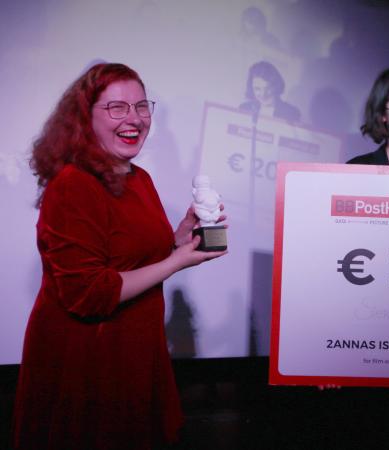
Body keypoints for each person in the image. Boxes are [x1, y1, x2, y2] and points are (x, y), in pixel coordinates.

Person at [12, 63, 227, 449]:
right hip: (88, 361)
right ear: (85, 117)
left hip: (134, 351)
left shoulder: (138, 178)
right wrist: (176, 262)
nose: (134, 118)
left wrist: (179, 239)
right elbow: (89, 292)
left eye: (141, 106)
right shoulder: (74, 185)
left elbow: (128, 258)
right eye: (117, 107)